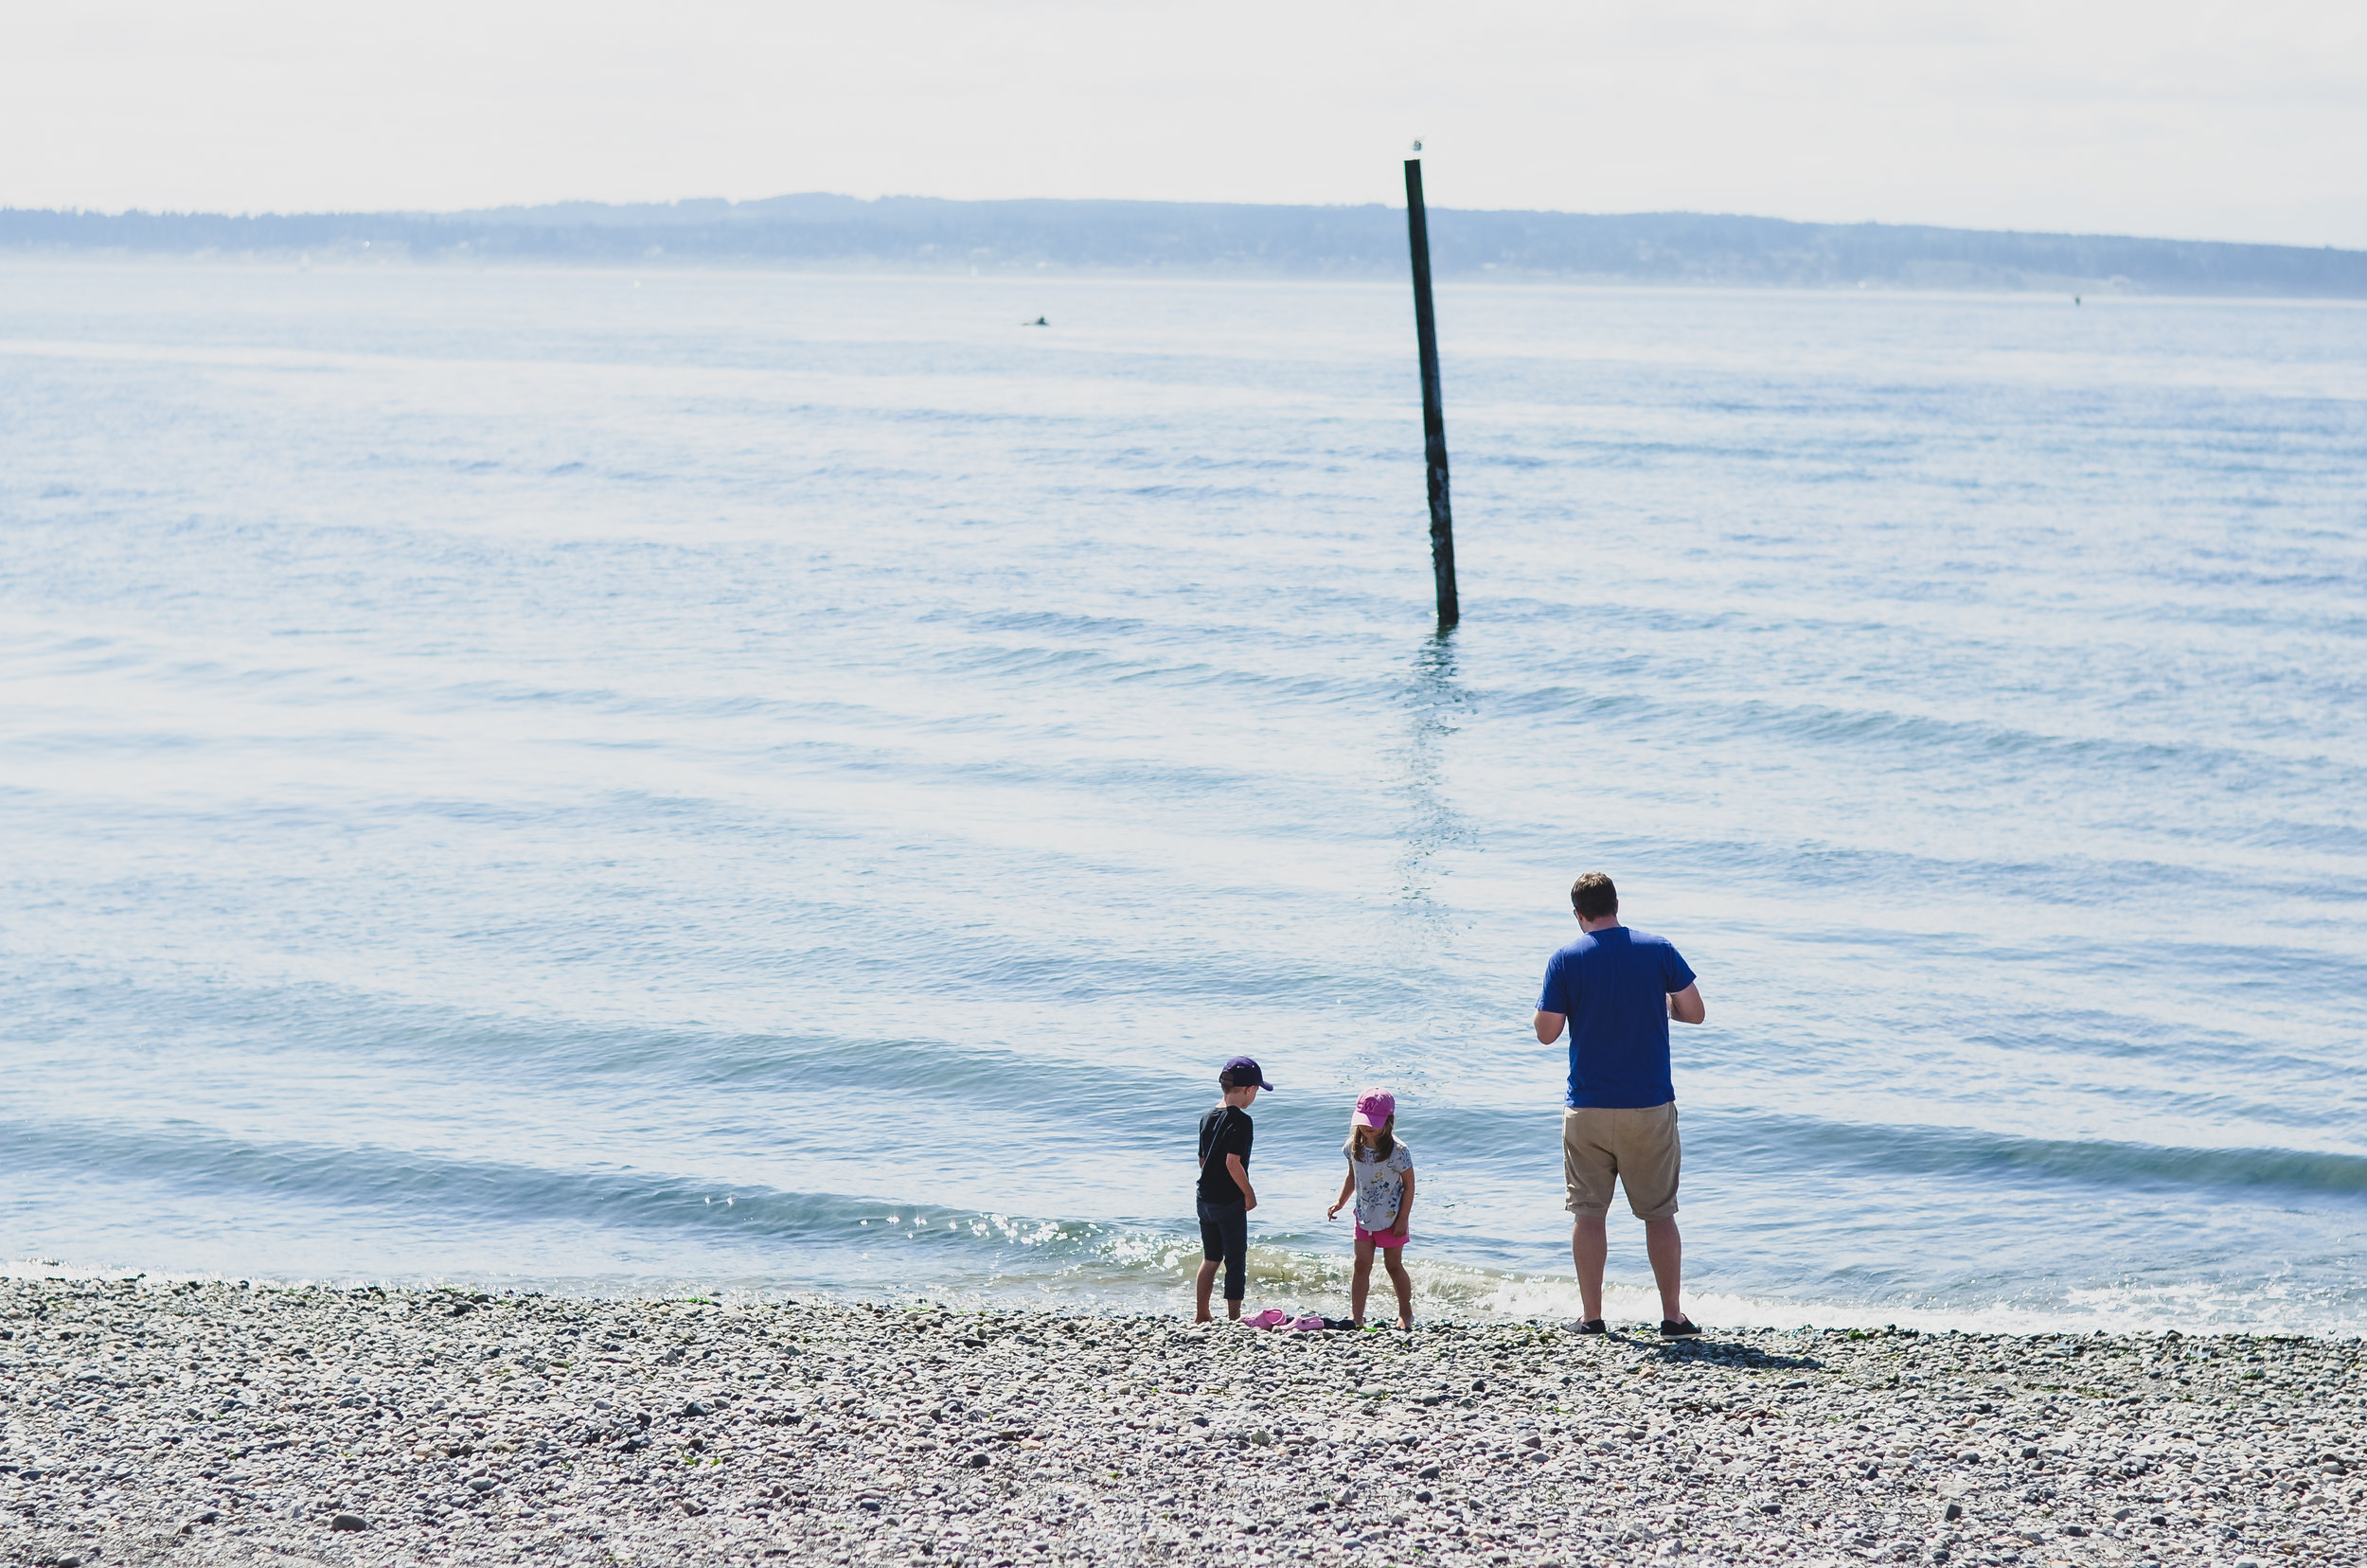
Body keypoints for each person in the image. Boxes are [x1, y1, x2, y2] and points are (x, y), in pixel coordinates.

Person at [1533, 872, 1707, 1337]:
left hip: (1588, 1105)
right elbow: (1695, 1011)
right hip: (1649, 1104)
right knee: (1659, 1214)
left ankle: (1592, 1317)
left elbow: (1546, 1033)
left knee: (1588, 1213)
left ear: (1578, 914)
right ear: (1616, 904)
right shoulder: (1658, 949)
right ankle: (1672, 1316)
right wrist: (1657, 1005)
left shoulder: (1565, 959)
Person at [1326, 1087, 1415, 1328]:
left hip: (1391, 1216)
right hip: (1363, 1216)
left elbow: (1409, 1186)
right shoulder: (1353, 1146)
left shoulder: (1398, 1151)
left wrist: (1403, 1219)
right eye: (1364, 1122)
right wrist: (1340, 1202)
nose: (1368, 1127)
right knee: (1361, 1265)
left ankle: (1405, 1313)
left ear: (1389, 1121)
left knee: (1393, 1266)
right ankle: (1357, 1316)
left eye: (1374, 1123)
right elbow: (1351, 1177)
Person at [1194, 1056, 1270, 1323]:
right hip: (1229, 1200)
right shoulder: (1241, 1121)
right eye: (1257, 1090)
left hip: (1204, 1198)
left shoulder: (1206, 1117)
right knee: (1235, 1258)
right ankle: (1234, 1317)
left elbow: (1203, 1160)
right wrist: (1249, 1193)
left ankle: (1202, 1313)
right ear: (1249, 1089)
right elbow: (1232, 1162)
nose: (1255, 1096)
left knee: (1211, 1257)